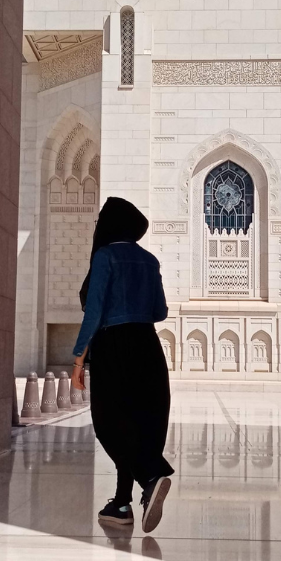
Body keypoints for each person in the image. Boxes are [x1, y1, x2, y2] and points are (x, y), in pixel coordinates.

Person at [71, 197, 173, 533]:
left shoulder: (105, 257)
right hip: (147, 343)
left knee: (110, 423)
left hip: (114, 345)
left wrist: (78, 359)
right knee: (139, 424)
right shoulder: (149, 260)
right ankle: (121, 503)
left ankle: (150, 475)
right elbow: (160, 312)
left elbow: (94, 311)